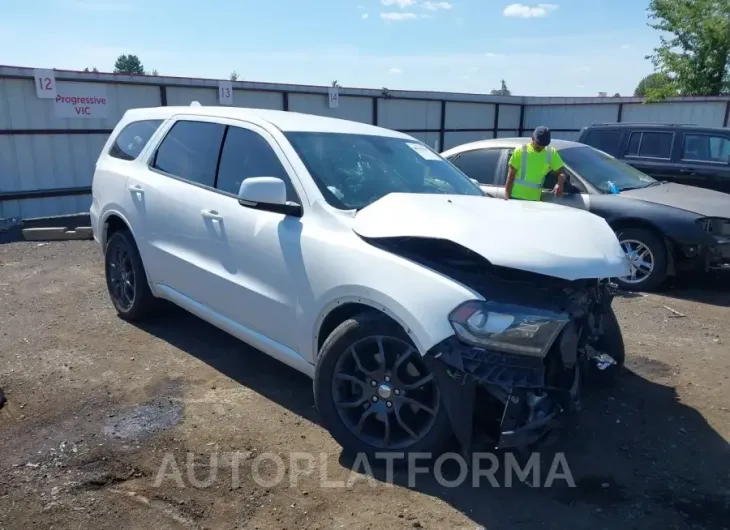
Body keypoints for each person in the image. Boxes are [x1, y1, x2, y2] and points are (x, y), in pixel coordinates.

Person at [504, 126, 568, 201]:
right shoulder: (520, 151)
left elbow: (562, 173)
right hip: (516, 199)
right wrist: (507, 199)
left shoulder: (551, 153)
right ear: (532, 138)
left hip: (535, 201)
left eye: (543, 145)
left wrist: (559, 183)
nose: (541, 147)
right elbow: (510, 177)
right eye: (538, 144)